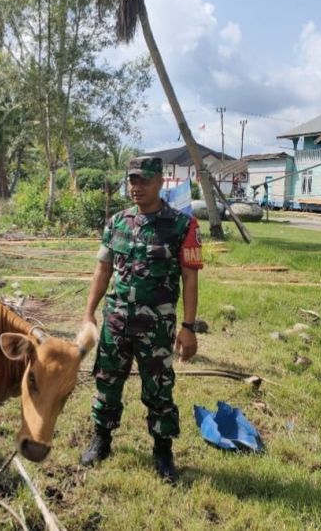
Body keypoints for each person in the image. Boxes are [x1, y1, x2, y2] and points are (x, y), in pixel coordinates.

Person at [80, 156, 203, 483]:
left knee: (159, 389)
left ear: (161, 181)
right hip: (116, 322)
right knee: (107, 381)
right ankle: (101, 439)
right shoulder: (117, 222)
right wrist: (89, 311)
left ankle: (163, 452)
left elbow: (190, 279)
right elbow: (103, 269)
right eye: (132, 180)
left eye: (144, 181)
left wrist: (188, 327)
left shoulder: (182, 225)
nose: (136, 187)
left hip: (157, 328)